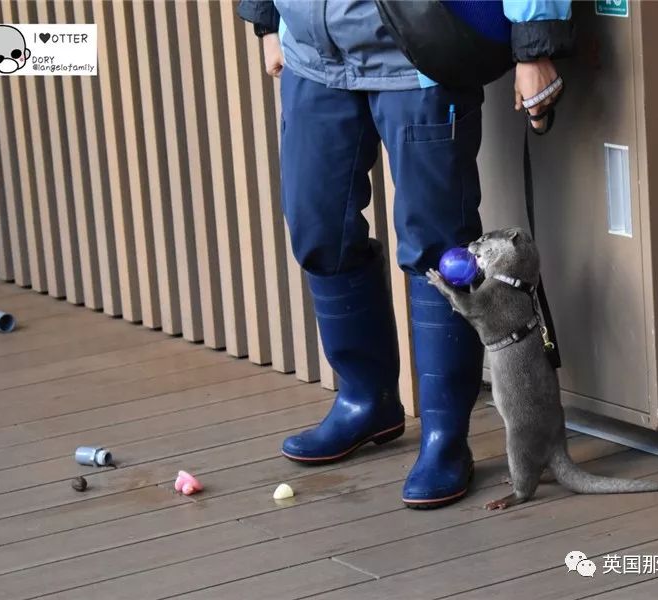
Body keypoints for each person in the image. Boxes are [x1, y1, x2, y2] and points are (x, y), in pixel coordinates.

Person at [238, 0, 572, 509]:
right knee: (318, 228)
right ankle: (365, 400)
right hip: (311, 55)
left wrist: (535, 42)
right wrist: (266, 18)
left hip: (419, 55)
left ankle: (445, 436)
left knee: (439, 253)